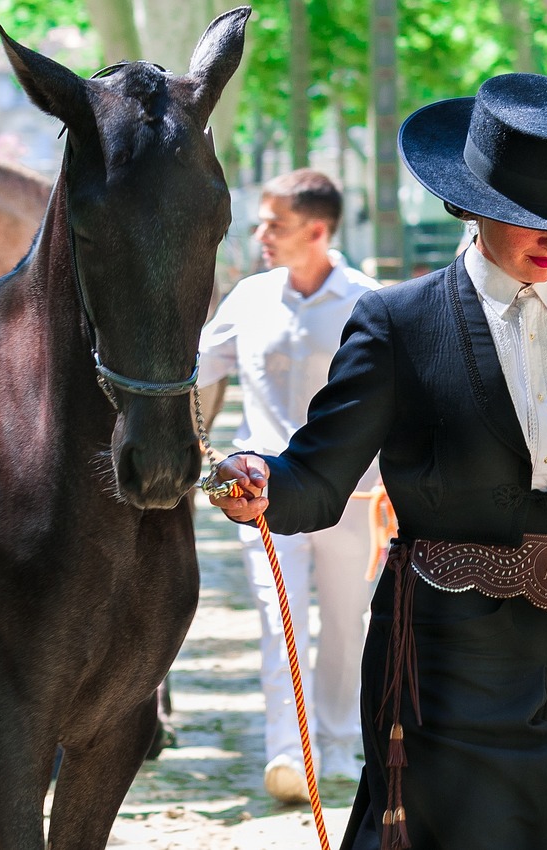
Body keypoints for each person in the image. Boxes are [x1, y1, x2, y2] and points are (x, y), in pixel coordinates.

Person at [207, 73, 547, 850]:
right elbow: (317, 477)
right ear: (473, 202)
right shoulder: (396, 322)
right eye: (531, 215)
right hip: (438, 649)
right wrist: (258, 485)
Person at [197, 168, 381, 804]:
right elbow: (191, 373)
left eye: (274, 224)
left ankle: (336, 741)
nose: (260, 235)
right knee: (280, 621)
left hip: (355, 499)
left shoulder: (369, 302)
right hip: (262, 496)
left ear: (318, 230)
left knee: (345, 622)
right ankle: (288, 747)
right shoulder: (248, 299)